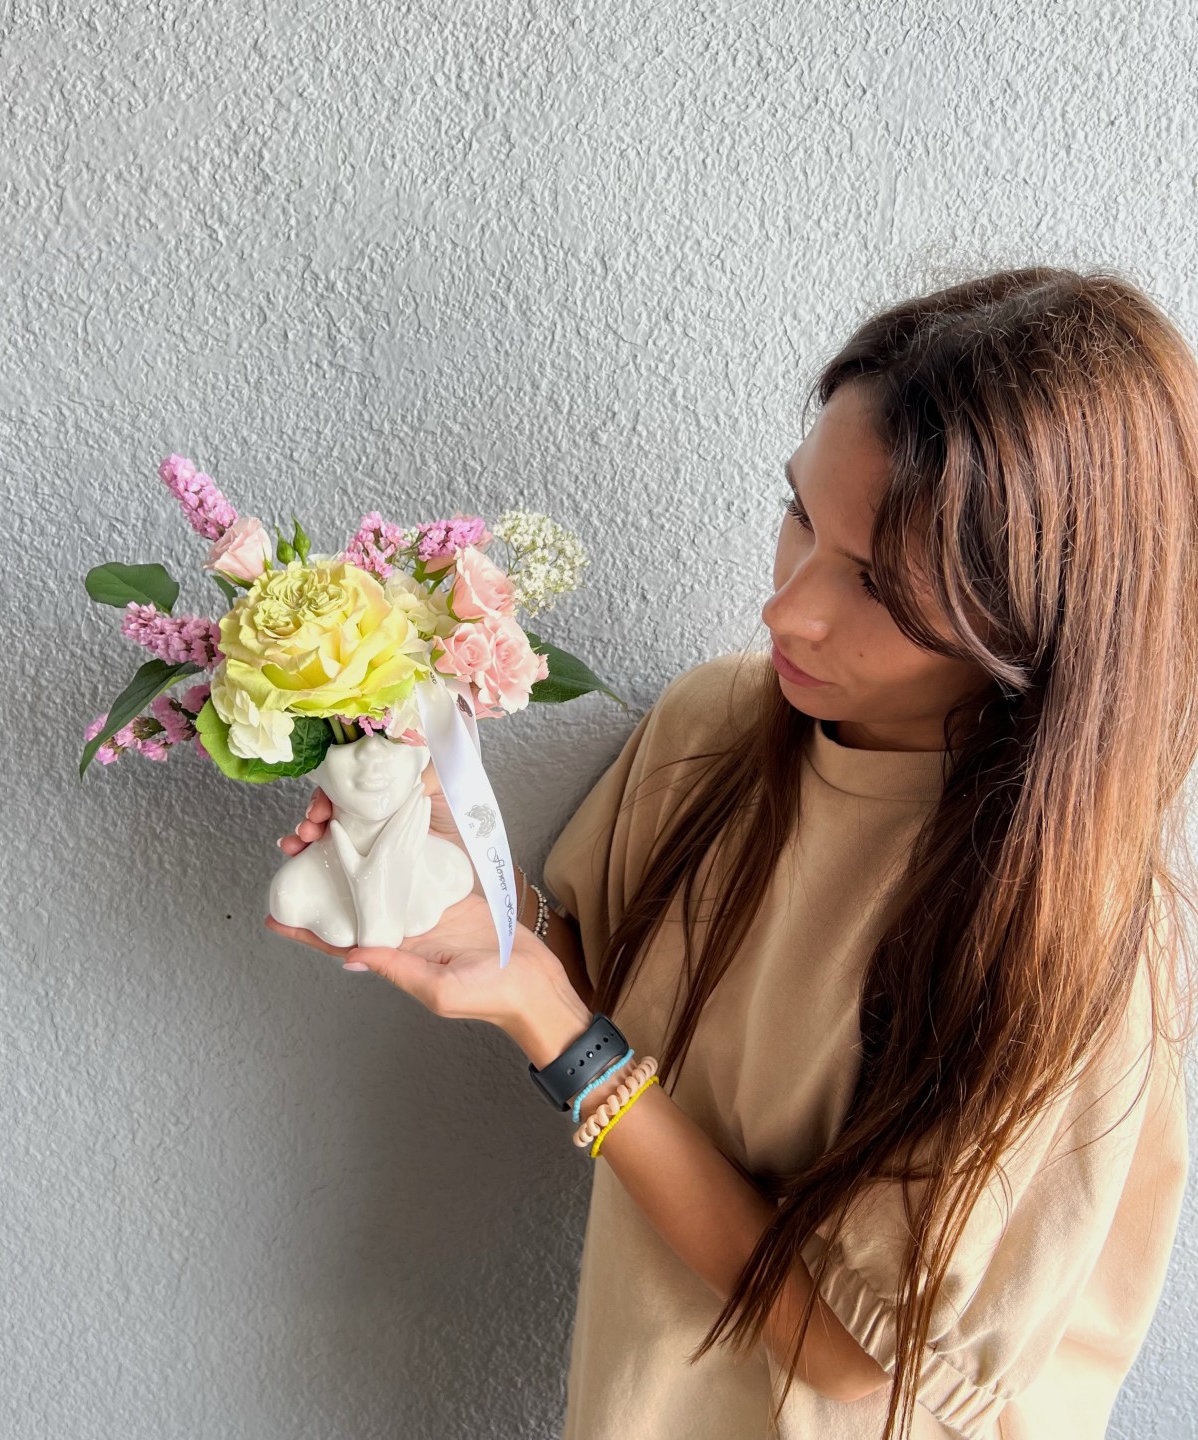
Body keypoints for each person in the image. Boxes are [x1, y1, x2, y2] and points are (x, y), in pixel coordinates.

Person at [266, 265, 1196, 1439]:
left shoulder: (1077, 939)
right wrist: (461, 874)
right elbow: (601, 981)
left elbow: (855, 1357)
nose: (789, 612)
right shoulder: (719, 729)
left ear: (1035, 622)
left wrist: (557, 1033)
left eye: (881, 587)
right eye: (801, 513)